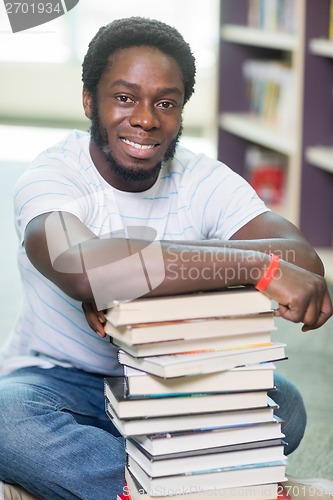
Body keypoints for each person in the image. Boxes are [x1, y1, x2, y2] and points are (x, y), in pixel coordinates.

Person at [0, 16, 332, 500]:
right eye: (124, 97)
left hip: (174, 377)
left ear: (180, 110)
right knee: (9, 421)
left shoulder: (201, 177)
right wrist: (255, 267)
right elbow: (82, 269)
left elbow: (302, 261)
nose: (145, 119)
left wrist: (129, 276)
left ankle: (98, 486)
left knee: (285, 405)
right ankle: (232, 487)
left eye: (166, 103)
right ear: (90, 100)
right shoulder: (52, 174)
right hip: (59, 382)